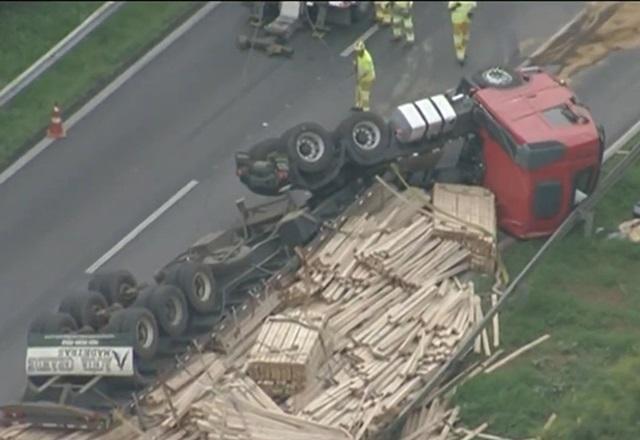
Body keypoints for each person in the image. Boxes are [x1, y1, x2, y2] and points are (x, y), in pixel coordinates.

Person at [353, 41, 376, 112]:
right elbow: (357, 63)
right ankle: (359, 105)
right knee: (358, 90)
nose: (357, 52)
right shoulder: (359, 54)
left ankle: (366, 109)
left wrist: (359, 78)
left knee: (365, 93)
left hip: (368, 77)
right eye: (356, 51)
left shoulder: (367, 59)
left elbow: (366, 72)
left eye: (358, 51)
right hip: (362, 76)